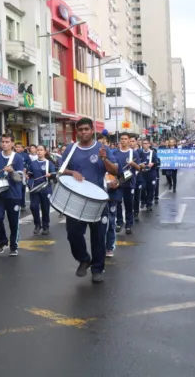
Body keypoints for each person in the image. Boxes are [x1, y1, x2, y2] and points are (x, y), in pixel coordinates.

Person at [60, 118, 118, 283]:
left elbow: (115, 170)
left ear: (92, 130)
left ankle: (97, 269)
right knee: (73, 234)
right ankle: (84, 258)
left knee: (98, 236)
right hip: (76, 200)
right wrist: (72, 173)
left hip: (99, 201)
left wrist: (105, 159)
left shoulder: (102, 148)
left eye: (86, 129)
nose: (83, 132)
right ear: (77, 131)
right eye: (80, 129)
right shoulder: (71, 149)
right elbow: (61, 169)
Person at [0, 134, 26, 256]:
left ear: (12, 144)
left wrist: (12, 171)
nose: (4, 144)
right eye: (3, 141)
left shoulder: (18, 158)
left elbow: (19, 178)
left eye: (7, 142)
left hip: (13, 194)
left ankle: (13, 246)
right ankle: (3, 241)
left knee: (13, 222)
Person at [112, 133, 140, 235]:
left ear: (129, 141)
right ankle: (119, 222)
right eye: (122, 139)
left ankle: (129, 224)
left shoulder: (134, 153)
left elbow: (139, 168)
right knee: (117, 203)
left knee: (128, 204)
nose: (123, 140)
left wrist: (134, 164)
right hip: (118, 181)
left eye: (125, 139)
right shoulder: (115, 153)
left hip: (129, 182)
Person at [27, 145, 55, 235]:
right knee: (34, 207)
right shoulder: (33, 163)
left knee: (45, 208)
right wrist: (29, 182)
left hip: (46, 188)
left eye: (41, 150)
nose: (39, 152)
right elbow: (30, 176)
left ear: (45, 152)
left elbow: (54, 175)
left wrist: (50, 175)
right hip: (35, 189)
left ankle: (45, 226)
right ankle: (37, 224)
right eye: (38, 150)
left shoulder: (49, 163)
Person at [139, 139, 159, 212]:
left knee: (150, 189)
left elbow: (157, 162)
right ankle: (143, 201)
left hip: (151, 173)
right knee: (143, 188)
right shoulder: (140, 152)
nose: (145, 145)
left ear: (149, 144)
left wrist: (153, 164)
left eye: (146, 143)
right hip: (143, 173)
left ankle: (149, 203)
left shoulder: (153, 153)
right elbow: (137, 161)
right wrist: (140, 165)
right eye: (143, 143)